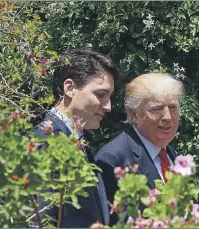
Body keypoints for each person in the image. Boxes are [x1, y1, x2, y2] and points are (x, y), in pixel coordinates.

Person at [32, 50, 120, 227]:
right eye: (100, 95)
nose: (108, 106)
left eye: (109, 97)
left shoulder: (77, 143)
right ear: (70, 88)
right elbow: (41, 221)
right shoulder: (45, 143)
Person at [95, 73, 184, 225]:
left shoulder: (168, 151)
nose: (168, 117)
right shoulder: (112, 159)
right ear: (133, 114)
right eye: (156, 109)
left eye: (173, 107)